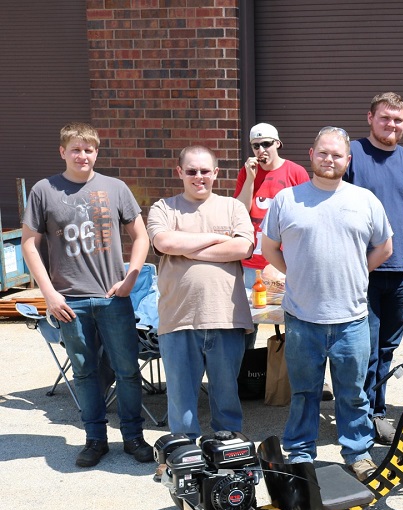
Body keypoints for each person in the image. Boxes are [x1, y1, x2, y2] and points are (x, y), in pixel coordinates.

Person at [262, 126, 393, 481]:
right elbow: (269, 247)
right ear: (311, 154)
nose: (329, 159)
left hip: (352, 319)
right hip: (302, 318)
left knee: (353, 394)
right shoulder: (287, 200)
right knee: (304, 393)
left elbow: (385, 247)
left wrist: (358, 271)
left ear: (347, 160)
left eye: (337, 155)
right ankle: (300, 453)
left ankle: (358, 452)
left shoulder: (365, 200)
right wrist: (296, 272)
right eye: (323, 152)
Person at [21, 121, 153, 468]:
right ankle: (95, 439)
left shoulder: (115, 188)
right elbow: (29, 244)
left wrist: (130, 279)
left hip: (113, 299)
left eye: (89, 149)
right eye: (76, 149)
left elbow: (141, 236)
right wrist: (49, 294)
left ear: (97, 152)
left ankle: (133, 437)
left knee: (127, 371)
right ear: (62, 152)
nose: (83, 155)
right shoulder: (44, 190)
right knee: (84, 373)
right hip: (70, 301)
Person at [145, 145, 255, 441]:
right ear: (179, 172)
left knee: (227, 395)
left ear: (215, 173)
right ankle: (183, 451)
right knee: (181, 397)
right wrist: (217, 239)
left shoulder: (233, 207)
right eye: (191, 171)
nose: (199, 177)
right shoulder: (164, 208)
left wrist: (188, 249)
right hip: (178, 319)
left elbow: (243, 247)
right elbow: (165, 243)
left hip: (226, 318)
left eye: (205, 171)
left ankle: (228, 450)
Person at [345, 92, 403, 443]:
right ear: (370, 118)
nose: (391, 125)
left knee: (386, 349)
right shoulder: (352, 154)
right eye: (384, 118)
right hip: (362, 270)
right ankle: (359, 415)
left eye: (397, 119)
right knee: (362, 348)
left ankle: (376, 411)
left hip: (401, 272)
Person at [234, 122, 310, 348]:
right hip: (253, 263)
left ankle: (290, 366)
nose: (261, 150)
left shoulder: (295, 172)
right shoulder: (247, 173)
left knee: (292, 317)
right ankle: (246, 367)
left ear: (277, 143)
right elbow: (239, 212)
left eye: (266, 144)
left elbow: (308, 214)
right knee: (248, 321)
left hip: (285, 262)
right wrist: (250, 179)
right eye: (255, 146)